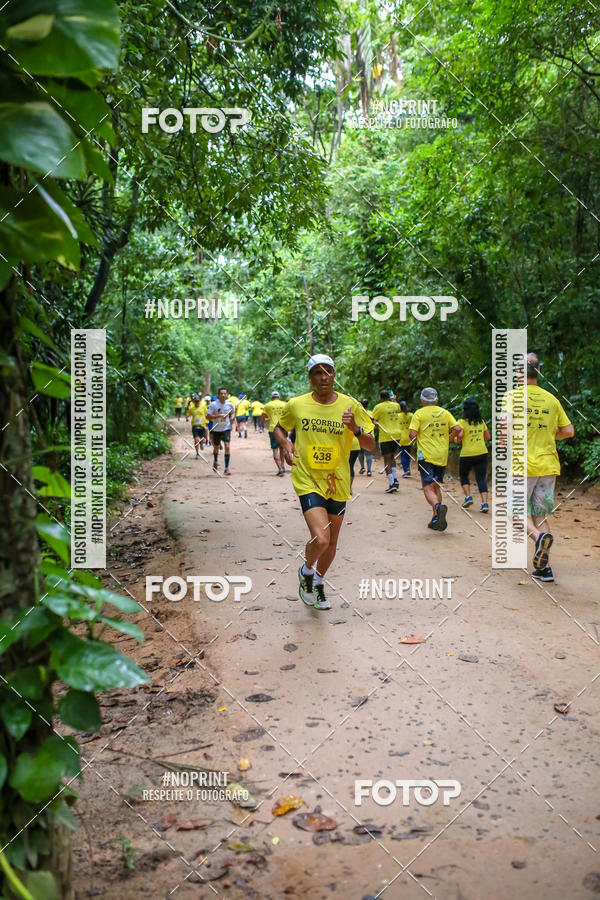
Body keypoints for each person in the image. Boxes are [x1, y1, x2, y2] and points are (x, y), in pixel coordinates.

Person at [274, 354, 375, 611]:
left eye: (328, 372)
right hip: (307, 478)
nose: (323, 377)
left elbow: (371, 445)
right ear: (310, 378)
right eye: (318, 373)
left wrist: (356, 430)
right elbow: (279, 427)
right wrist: (285, 443)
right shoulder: (296, 405)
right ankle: (306, 571)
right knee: (321, 539)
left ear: (334, 375)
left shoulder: (351, 405)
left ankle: (318, 581)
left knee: (332, 542)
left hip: (337, 481)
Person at [502, 353, 574, 582]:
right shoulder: (552, 400)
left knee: (516, 514)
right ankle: (545, 569)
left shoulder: (512, 396)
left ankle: (538, 537)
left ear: (519, 373)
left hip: (523, 465)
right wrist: (547, 435)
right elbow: (569, 431)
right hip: (548, 464)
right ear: (539, 372)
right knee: (540, 513)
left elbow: (504, 432)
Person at [409, 387, 463, 531]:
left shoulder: (419, 414)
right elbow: (458, 429)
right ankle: (436, 518)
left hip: (425, 455)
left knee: (427, 486)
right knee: (436, 486)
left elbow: (413, 434)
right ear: (436, 399)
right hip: (442, 454)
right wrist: (448, 438)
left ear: (422, 400)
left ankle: (438, 507)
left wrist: (416, 437)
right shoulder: (445, 413)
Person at [456, 398, 490, 512]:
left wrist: (456, 439)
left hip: (467, 454)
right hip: (482, 453)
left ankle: (468, 497)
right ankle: (485, 503)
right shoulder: (481, 422)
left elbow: (459, 437)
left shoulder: (461, 422)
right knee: (481, 478)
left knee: (464, 475)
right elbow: (487, 437)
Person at [372, 390, 403, 493]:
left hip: (386, 435)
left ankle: (392, 483)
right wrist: (393, 400)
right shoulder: (396, 405)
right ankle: (395, 479)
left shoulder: (378, 407)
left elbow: (373, 420)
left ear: (380, 397)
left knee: (386, 459)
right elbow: (398, 409)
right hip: (397, 434)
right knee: (392, 456)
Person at [206, 388, 236, 474]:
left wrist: (232, 417)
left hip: (226, 428)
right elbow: (208, 416)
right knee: (216, 447)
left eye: (225, 393)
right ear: (218, 395)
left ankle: (226, 468)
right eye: (221, 394)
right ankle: (215, 461)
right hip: (216, 429)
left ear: (226, 395)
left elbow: (233, 413)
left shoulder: (229, 404)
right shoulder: (213, 404)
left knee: (227, 446)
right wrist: (218, 416)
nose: (223, 395)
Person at [262, 391, 287, 476]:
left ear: (271, 397)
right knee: (282, 448)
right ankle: (283, 466)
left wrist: (269, 419)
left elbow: (262, 419)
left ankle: (280, 469)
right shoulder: (284, 404)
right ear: (279, 397)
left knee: (275, 449)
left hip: (273, 429)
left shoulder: (267, 405)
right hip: (283, 428)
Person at [396, 400, 413, 477]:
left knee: (402, 454)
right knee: (408, 454)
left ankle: (405, 471)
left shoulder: (398, 416)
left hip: (401, 437)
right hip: (409, 437)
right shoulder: (410, 415)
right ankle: (408, 468)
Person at [358, 398, 374, 475]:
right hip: (370, 434)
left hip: (360, 434)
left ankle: (362, 467)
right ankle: (369, 471)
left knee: (360, 452)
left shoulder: (358, 413)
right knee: (368, 453)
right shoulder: (371, 413)